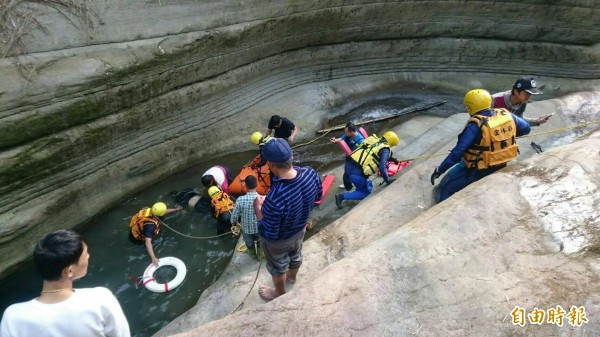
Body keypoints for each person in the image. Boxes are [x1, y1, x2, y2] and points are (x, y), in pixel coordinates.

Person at [0, 229, 130, 337]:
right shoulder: (100, 299)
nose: (89, 256)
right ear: (69, 271)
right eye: (85, 255)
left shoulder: (12, 317)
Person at [430, 89, 532, 202]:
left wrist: (440, 170)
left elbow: (458, 152)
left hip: (479, 169)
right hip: (502, 162)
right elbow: (526, 129)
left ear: (472, 107)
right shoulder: (505, 114)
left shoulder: (475, 125)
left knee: (445, 188)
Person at [253, 138, 322, 300]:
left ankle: (279, 293)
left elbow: (268, 231)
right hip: (300, 229)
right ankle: (292, 277)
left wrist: (258, 208)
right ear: (291, 156)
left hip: (279, 241)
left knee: (277, 267)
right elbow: (318, 197)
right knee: (296, 254)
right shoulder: (310, 173)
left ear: (270, 164)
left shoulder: (275, 197)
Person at [334, 131, 400, 209]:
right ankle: (341, 197)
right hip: (356, 174)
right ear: (392, 143)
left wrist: (392, 159)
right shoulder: (385, 149)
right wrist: (388, 181)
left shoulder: (374, 139)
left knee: (365, 184)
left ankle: (358, 188)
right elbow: (382, 168)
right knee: (366, 192)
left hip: (349, 167)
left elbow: (372, 153)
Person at [129, 202, 181, 266]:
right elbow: (147, 242)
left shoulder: (149, 210)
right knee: (145, 246)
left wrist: (175, 209)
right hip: (137, 239)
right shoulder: (150, 226)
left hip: (137, 228)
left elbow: (163, 212)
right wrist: (153, 257)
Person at [230, 175, 260, 258]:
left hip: (246, 229)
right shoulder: (262, 198)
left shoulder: (240, 199)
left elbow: (234, 217)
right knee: (260, 242)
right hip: (259, 228)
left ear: (246, 186)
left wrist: (234, 223)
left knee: (249, 244)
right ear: (257, 184)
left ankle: (253, 256)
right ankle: (260, 255)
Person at [330, 122, 365, 190]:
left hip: (355, 159)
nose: (345, 134)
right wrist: (335, 140)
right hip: (349, 157)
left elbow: (361, 155)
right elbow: (342, 138)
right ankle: (349, 183)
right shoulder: (349, 135)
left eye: (346, 132)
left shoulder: (360, 141)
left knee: (347, 174)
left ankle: (349, 188)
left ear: (352, 132)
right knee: (346, 171)